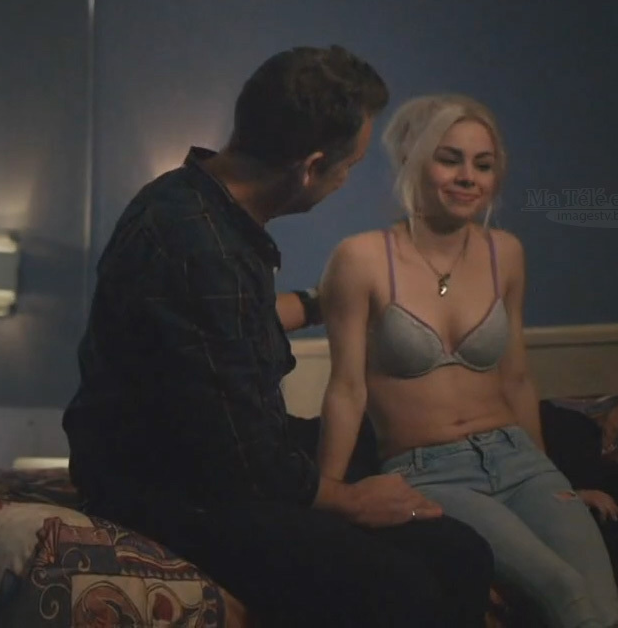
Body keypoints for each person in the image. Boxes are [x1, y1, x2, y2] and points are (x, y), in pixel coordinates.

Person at [62, 47, 495, 628]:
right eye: (349, 166)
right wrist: (349, 500)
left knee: (444, 526)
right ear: (310, 167)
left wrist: (320, 303)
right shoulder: (202, 247)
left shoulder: (191, 200)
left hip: (210, 451)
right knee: (417, 580)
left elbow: (227, 330)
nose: (346, 179)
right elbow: (240, 459)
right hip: (167, 484)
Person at [315, 93, 618, 628]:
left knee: (605, 602)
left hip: (520, 459)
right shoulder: (360, 258)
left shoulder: (506, 252)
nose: (468, 177)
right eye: (449, 159)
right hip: (430, 472)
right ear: (413, 159)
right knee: (566, 592)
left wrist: (555, 475)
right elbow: (347, 389)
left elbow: (517, 377)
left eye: (483, 165)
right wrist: (329, 496)